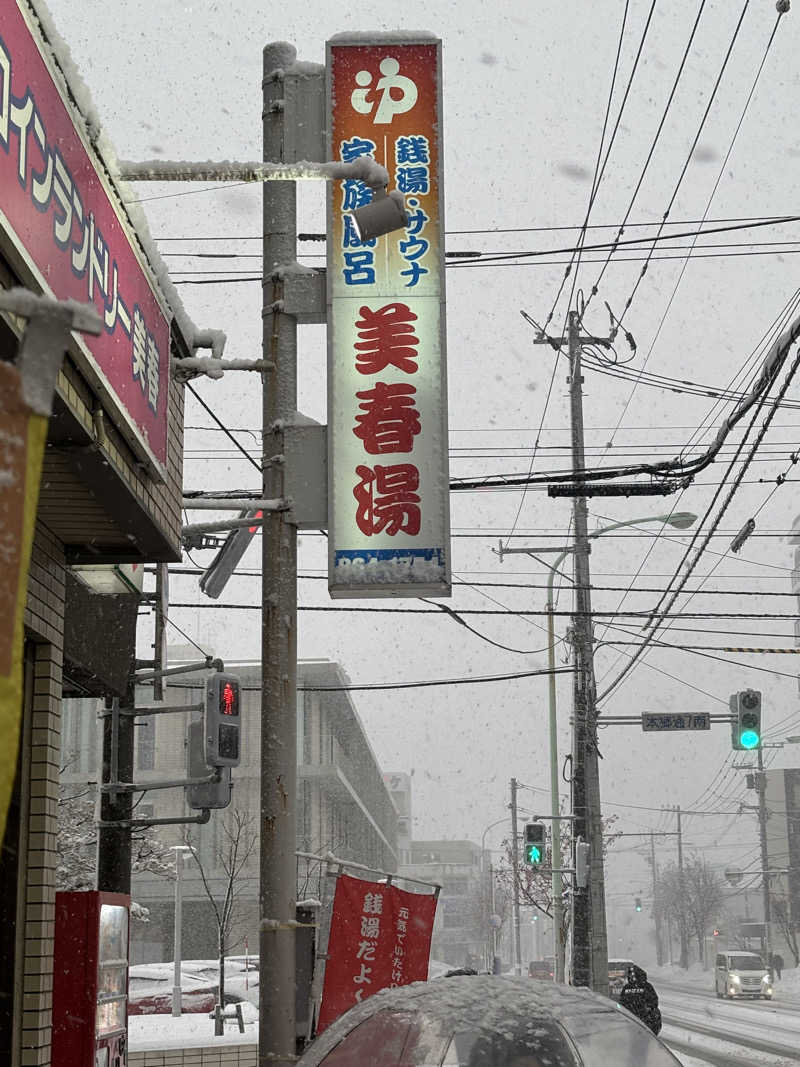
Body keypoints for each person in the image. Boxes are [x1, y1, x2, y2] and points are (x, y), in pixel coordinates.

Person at [618, 965, 662, 1036]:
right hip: (645, 1022)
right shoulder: (647, 986)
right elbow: (654, 1002)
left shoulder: (627, 988)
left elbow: (622, 1003)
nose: (631, 977)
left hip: (633, 1021)